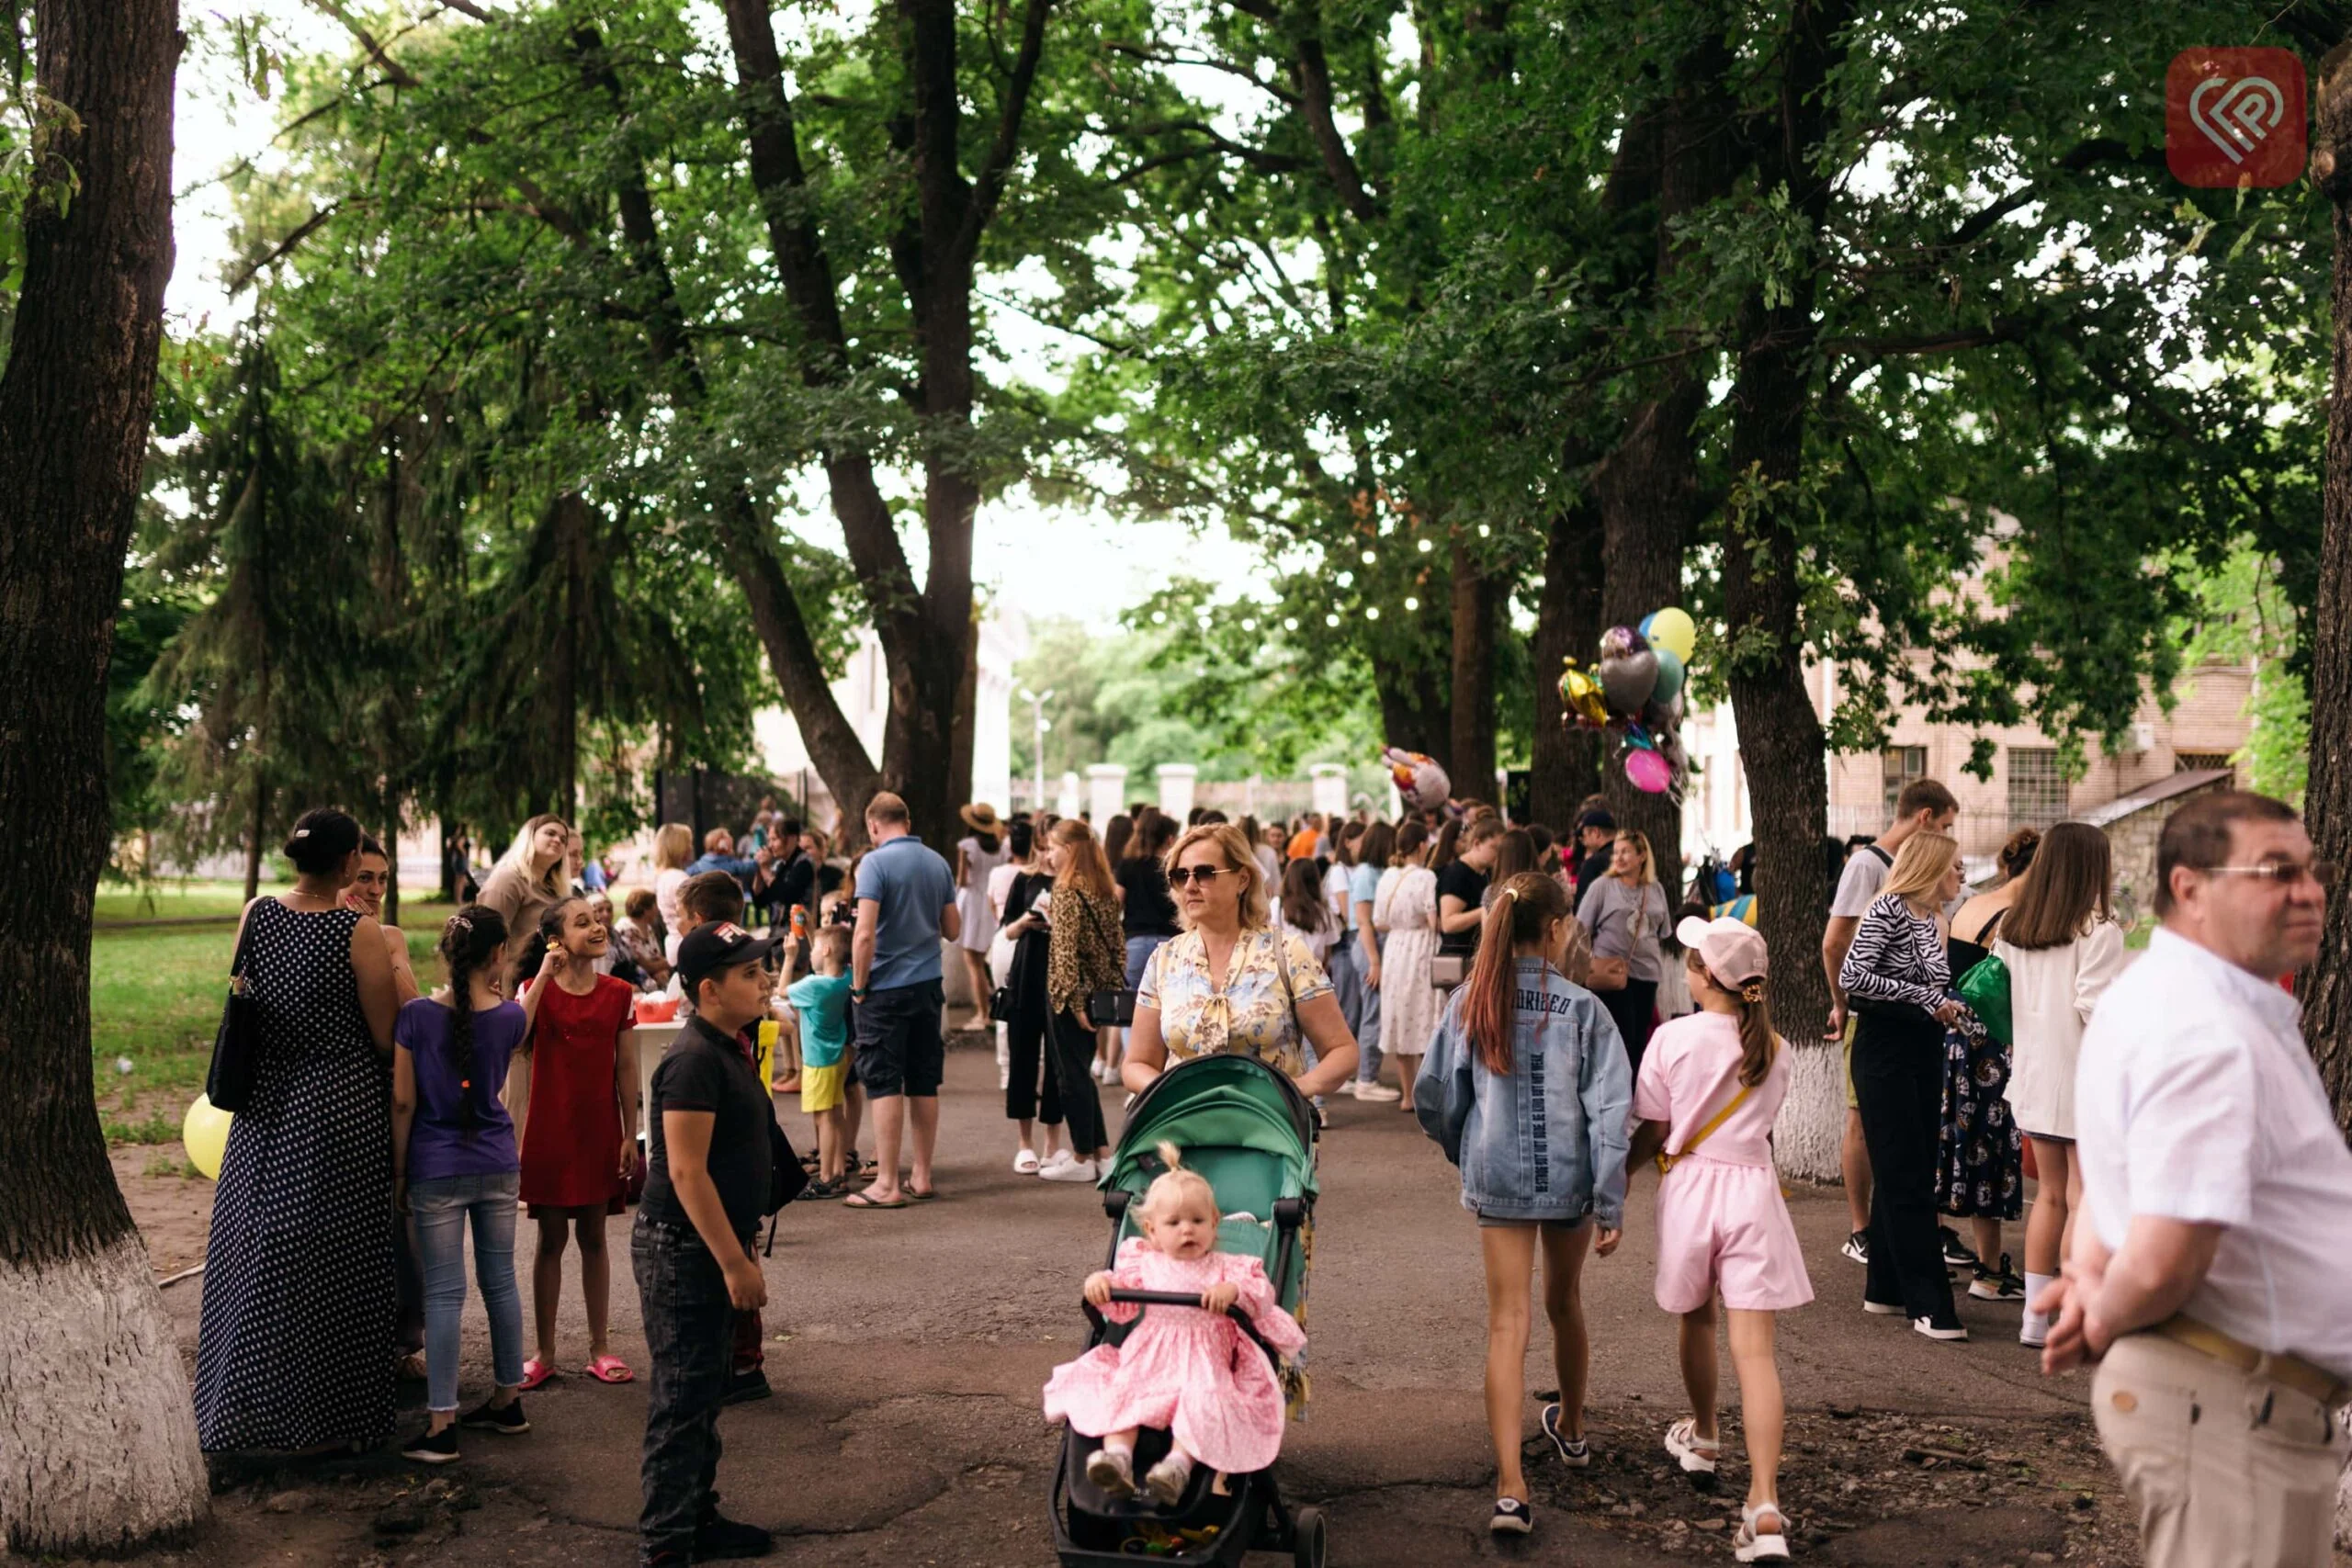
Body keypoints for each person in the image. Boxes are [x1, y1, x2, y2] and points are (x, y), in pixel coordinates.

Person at [2037, 792, 2350, 1568]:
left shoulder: (2180, 1002)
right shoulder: (2203, 1027)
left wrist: (2090, 1280)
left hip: (2242, 1406)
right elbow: (2169, 1254)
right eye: (2278, 871)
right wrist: (2104, 1314)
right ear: (2190, 888)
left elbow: (2115, 1194)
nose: (2309, 891)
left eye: (2314, 870)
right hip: (2228, 1407)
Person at [1414, 873, 1631, 1538]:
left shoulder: (1468, 1003)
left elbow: (1436, 1095)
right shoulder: (1586, 1009)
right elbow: (1612, 1110)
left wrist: (1468, 1148)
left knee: (1506, 1322)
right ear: (1559, 928)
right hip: (1571, 1178)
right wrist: (1610, 1198)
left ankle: (1511, 1486)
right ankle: (1569, 1424)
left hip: (1499, 1174)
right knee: (1563, 1303)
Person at [1122, 822, 1359, 1408]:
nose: (1190, 885)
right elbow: (1136, 1062)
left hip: (1270, 1143)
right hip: (1183, 1146)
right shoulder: (1164, 961)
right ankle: (1168, 1399)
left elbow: (1343, 1052)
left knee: (1260, 1271)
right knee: (1176, 1273)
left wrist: (1292, 1095)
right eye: (1180, 876)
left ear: (1242, 879)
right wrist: (1169, 1099)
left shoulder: (1285, 952)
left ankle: (1254, 1406)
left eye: (1205, 872)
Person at [195, 807, 401, 1454]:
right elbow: (386, 1034)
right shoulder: (356, 931)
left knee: (256, 1239)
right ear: (347, 865)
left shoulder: (256, 913)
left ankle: (241, 1398)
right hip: (337, 1103)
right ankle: (330, 1415)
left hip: (262, 1100)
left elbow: (244, 995)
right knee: (336, 1251)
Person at [1625, 918, 1809, 1562]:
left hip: (1692, 1190)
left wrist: (1619, 1180)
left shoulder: (1671, 1037)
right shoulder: (1777, 1048)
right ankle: (1764, 1503)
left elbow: (1652, 1126)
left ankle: (1703, 1433)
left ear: (1703, 976)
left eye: (1692, 961)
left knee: (1697, 1320)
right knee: (1756, 1354)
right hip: (1753, 1191)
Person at [1046, 1142, 1307, 1504]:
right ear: (1152, 1231)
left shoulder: (1228, 1267)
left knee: (1204, 1401)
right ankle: (1117, 1458)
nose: (1187, 1231)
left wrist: (1232, 1292)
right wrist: (1102, 1285)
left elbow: (1260, 1295)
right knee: (1124, 1390)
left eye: (1198, 1221)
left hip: (1205, 1359)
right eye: (1174, 1223)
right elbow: (1121, 1300)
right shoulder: (1144, 1262)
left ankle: (1177, 1466)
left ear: (1215, 1224)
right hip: (1150, 1356)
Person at [633, 922, 779, 1567]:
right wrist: (733, 1262)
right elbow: (686, 1172)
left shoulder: (729, 1044)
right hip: (685, 1249)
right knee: (683, 1394)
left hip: (708, 1244)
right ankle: (666, 1542)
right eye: (749, 973)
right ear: (710, 989)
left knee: (704, 1388)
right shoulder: (693, 1058)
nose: (764, 978)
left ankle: (696, 1513)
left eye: (761, 968)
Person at [392, 907, 530, 1462]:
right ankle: (507, 1401)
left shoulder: (416, 1016)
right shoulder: (513, 1018)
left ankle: (442, 1425)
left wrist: (400, 1172)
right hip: (499, 1162)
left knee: (444, 1294)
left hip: (434, 1164)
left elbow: (403, 1100)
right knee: (500, 1283)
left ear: (446, 955)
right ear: (498, 956)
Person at [1996, 820, 2126, 1348]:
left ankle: (2034, 1319)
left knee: (2049, 1196)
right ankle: (2073, 1315)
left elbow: (2001, 999)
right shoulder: (2099, 931)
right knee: (2083, 1198)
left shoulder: (2014, 927)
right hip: (2082, 1078)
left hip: (2031, 1076)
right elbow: (2094, 1010)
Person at [1839, 830, 1972, 1341]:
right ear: (1930, 867)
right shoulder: (1889, 908)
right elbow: (1854, 975)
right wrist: (1923, 997)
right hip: (1884, 1051)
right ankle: (1931, 1304)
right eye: (1954, 866)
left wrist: (1948, 1004)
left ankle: (1886, 1287)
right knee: (1908, 1175)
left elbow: (1930, 987)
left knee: (1908, 1166)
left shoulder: (1931, 918)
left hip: (1921, 1049)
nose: (1960, 876)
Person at [1821, 777, 1959, 1265]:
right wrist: (1842, 1003)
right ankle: (1863, 1230)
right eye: (1943, 825)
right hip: (1872, 1018)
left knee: (1905, 1142)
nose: (1947, 836)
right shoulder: (1867, 868)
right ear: (1924, 819)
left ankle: (1899, 1234)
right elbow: (1837, 944)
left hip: (1912, 1030)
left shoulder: (1927, 909)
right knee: (1865, 1122)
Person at [511, 896, 641, 1387]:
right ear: (557, 939)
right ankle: (543, 1353)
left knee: (593, 1238)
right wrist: (543, 976)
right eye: (581, 922)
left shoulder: (620, 992)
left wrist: (630, 1132)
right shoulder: (533, 988)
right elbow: (514, 1034)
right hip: (549, 1129)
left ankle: (599, 1348)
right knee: (549, 1240)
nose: (596, 926)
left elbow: (625, 1067)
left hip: (598, 1131)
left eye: (597, 919)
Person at [1939, 827, 2041, 1299]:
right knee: (1993, 1152)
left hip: (1957, 1037)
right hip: (1992, 1044)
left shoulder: (1973, 903)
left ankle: (1987, 1264)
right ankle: (1989, 1269)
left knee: (1970, 1146)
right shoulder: (2017, 916)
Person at [843, 791, 959, 1210]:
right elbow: (953, 929)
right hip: (928, 985)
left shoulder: (874, 863)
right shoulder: (937, 862)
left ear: (874, 825)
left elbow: (864, 932)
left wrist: (858, 986)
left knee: (884, 1080)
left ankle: (888, 1182)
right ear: (906, 821)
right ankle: (922, 1176)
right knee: (925, 1079)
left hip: (884, 989)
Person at [341, 832, 424, 1382]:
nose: (373, 889)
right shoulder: (314, 928)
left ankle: (401, 1342)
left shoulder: (388, 934)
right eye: (363, 877)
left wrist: (386, 947)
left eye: (381, 879)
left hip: (384, 1085)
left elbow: (413, 1012)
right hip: (336, 1089)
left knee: (396, 1220)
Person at [1037, 818, 1126, 1183]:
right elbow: (1117, 949)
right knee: (1081, 1071)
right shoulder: (1103, 889)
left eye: (1053, 848)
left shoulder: (1067, 891)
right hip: (1096, 995)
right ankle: (1102, 1152)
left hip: (1067, 995)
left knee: (1069, 1075)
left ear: (1070, 849)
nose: (1049, 855)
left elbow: (1064, 953)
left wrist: (1072, 1001)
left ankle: (1081, 1155)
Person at [999, 822, 1069, 1174]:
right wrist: (1027, 921)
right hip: (1026, 973)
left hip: (1060, 974)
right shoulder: (1024, 880)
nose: (1048, 855)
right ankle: (1023, 1143)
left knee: (1058, 1060)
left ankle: (1052, 1145)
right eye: (1043, 847)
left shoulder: (1073, 882)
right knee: (1023, 1056)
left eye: (1054, 847)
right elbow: (1007, 930)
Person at [1578, 829, 1672, 1077]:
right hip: (1609, 973)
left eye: (1626, 852)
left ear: (1642, 856)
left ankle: (1634, 1096)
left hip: (1646, 974)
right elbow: (1581, 927)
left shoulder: (1655, 889)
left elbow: (1663, 930)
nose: (1618, 858)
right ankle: (1616, 1094)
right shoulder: (1602, 887)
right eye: (1616, 852)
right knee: (1621, 1038)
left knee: (1640, 1039)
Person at [1374, 821, 1438, 1112]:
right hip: (1421, 948)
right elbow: (1434, 920)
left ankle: (1406, 1095)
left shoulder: (1388, 875)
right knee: (1425, 1014)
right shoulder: (1426, 877)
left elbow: (1379, 921)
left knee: (1400, 1015)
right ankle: (1427, 1093)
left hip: (1395, 949)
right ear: (1422, 845)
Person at [787, 926, 854, 1199]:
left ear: (826, 951)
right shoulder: (844, 979)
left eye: (814, 947)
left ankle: (826, 1177)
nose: (811, 953)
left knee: (823, 1118)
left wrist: (790, 957)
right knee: (836, 1114)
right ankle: (837, 1170)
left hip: (818, 1061)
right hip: (838, 1055)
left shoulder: (814, 985)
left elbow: (782, 990)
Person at [1341, 820, 1396, 1100]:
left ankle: (1366, 1076)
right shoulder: (1366, 874)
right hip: (1369, 947)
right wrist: (1375, 961)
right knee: (1373, 1012)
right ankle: (1366, 1079)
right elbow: (1364, 921)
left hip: (1372, 945)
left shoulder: (1375, 872)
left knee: (1373, 1011)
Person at [479, 814, 574, 972]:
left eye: (563, 840)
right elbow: (485, 940)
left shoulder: (557, 891)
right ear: (530, 837)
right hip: (512, 984)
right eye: (550, 833)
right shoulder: (508, 880)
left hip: (548, 980)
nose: (558, 840)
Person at [953, 803, 1011, 1026]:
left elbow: (962, 880)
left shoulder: (967, 846)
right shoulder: (1002, 848)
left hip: (970, 903)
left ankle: (983, 1014)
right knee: (991, 961)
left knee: (973, 963)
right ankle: (997, 1009)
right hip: (992, 902)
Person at [1437, 817, 1505, 961]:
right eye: (1494, 848)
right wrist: (1485, 909)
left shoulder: (1486, 872)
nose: (1498, 855)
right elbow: (1448, 923)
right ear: (1477, 843)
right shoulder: (1456, 874)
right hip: (1457, 958)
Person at [614, 888, 673, 988]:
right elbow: (647, 966)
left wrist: (662, 967)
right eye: (655, 906)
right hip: (636, 981)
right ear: (645, 910)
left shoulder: (648, 927)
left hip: (656, 979)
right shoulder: (627, 930)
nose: (657, 910)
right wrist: (670, 963)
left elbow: (657, 956)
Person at [1569, 807, 1616, 902]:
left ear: (1596, 832)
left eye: (1584, 835)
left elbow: (1582, 902)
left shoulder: (1594, 863)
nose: (1584, 842)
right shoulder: (1632, 857)